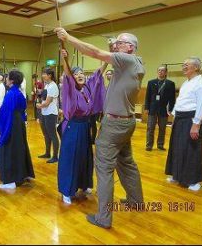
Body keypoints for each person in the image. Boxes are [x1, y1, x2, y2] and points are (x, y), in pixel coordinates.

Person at [56, 28, 145, 228]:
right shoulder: (137, 63)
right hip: (127, 122)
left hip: (114, 124)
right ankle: (136, 201)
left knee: (104, 169)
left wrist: (67, 37)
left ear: (130, 48)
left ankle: (104, 218)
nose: (116, 45)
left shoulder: (126, 60)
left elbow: (95, 53)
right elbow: (95, 66)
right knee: (127, 163)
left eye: (120, 42)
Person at [58, 50, 107, 205]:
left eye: (82, 73)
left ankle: (84, 184)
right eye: (76, 73)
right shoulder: (70, 88)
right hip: (73, 127)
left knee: (85, 157)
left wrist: (106, 57)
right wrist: (64, 58)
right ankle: (67, 190)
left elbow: (99, 73)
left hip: (85, 127)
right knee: (70, 158)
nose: (80, 75)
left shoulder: (88, 87)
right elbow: (67, 74)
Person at [165, 57, 202, 192]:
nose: (183, 67)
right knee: (177, 147)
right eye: (183, 65)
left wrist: (196, 124)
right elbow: (180, 101)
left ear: (196, 67)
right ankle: (177, 175)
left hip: (191, 119)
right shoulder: (186, 83)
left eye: (187, 65)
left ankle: (194, 180)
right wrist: (174, 117)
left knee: (192, 149)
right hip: (180, 118)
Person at [0, 70, 35, 190]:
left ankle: (11, 179)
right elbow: (22, 109)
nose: (6, 79)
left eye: (7, 77)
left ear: (12, 80)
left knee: (10, 149)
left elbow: (6, 114)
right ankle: (21, 174)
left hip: (12, 123)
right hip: (18, 123)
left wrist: (3, 132)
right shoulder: (18, 93)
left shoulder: (11, 94)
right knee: (18, 148)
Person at [145, 66, 176, 151]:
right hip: (152, 109)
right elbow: (147, 96)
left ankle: (160, 145)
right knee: (150, 128)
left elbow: (172, 98)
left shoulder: (170, 83)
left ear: (166, 73)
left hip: (163, 109)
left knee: (162, 128)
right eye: (159, 70)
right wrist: (146, 107)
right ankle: (149, 145)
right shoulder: (151, 82)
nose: (160, 72)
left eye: (162, 70)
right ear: (157, 72)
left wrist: (171, 109)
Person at [37, 68, 60, 164]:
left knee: (52, 134)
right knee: (46, 134)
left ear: (50, 75)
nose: (43, 75)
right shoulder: (47, 85)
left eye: (44, 74)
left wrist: (39, 105)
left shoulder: (53, 86)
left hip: (51, 113)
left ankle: (55, 156)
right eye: (43, 74)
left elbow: (48, 102)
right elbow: (44, 97)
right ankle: (47, 153)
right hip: (44, 112)